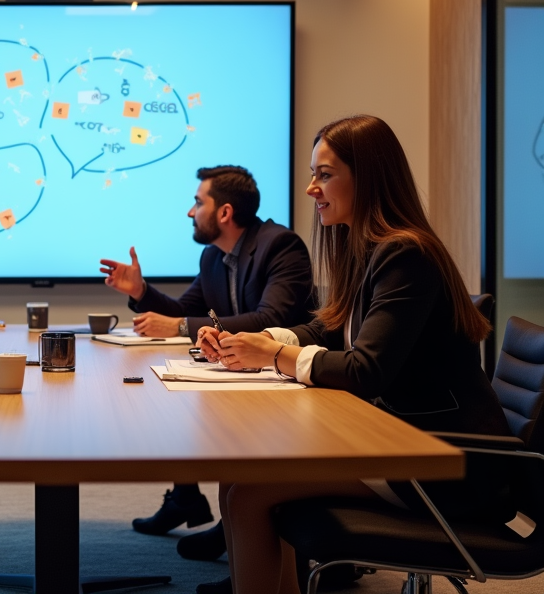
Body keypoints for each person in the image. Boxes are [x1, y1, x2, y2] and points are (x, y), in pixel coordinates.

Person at [195, 115, 511, 594]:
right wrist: (258, 345)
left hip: (443, 462)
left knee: (249, 493)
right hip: (401, 440)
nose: (310, 188)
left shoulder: (407, 254)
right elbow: (329, 324)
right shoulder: (370, 249)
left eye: (324, 175)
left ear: (369, 176)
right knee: (239, 480)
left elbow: (366, 370)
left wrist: (273, 354)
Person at [99, 166, 315, 552]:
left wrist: (179, 325)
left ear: (225, 213)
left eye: (198, 202)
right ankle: (197, 501)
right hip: (244, 374)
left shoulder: (280, 245)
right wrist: (142, 290)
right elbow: (184, 309)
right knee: (169, 390)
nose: (190, 211)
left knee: (188, 398)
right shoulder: (214, 259)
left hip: (286, 382)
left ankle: (238, 522)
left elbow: (271, 319)